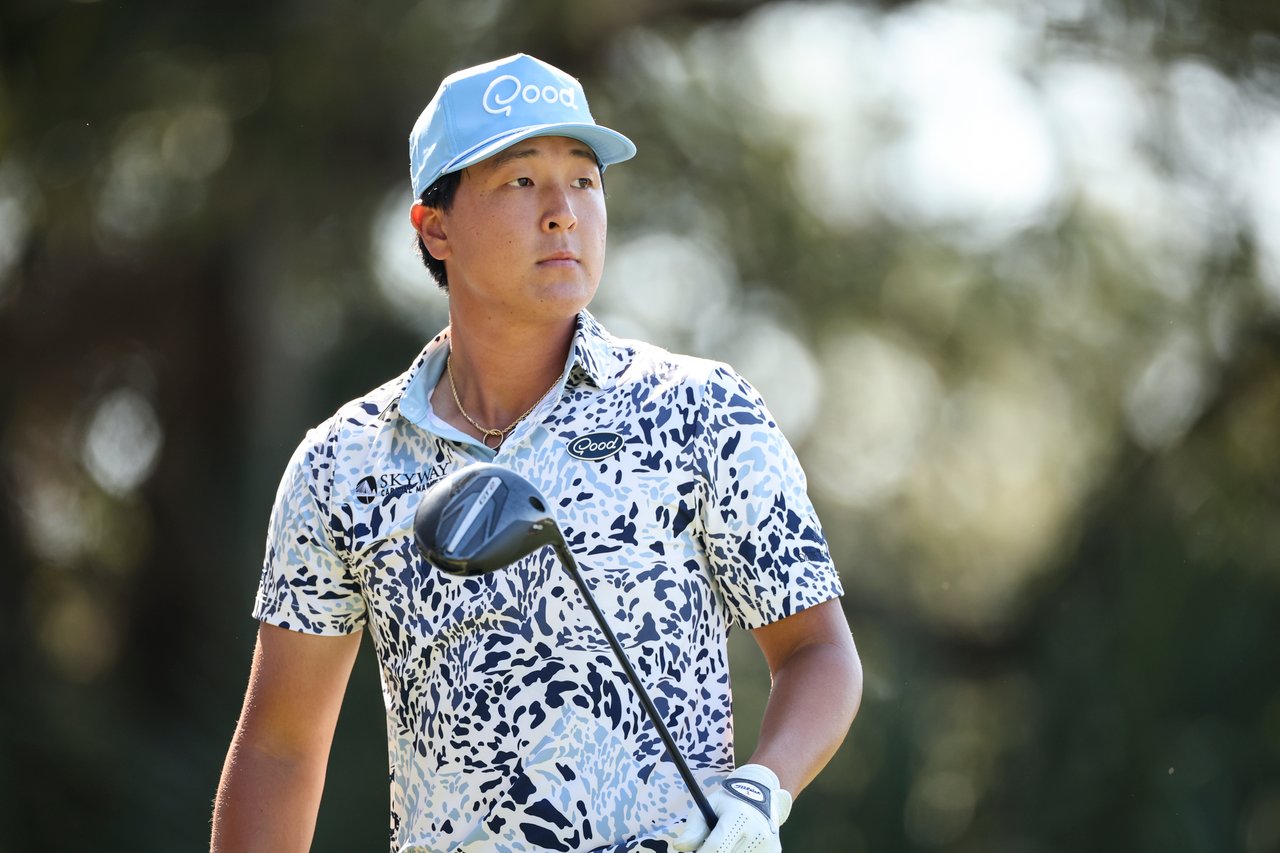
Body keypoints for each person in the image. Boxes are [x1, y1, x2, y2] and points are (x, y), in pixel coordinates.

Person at [211, 53, 862, 853]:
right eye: (521, 181)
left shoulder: (702, 410)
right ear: (434, 225)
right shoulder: (341, 462)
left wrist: (764, 787)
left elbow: (818, 650)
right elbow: (280, 746)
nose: (563, 212)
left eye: (584, 180)